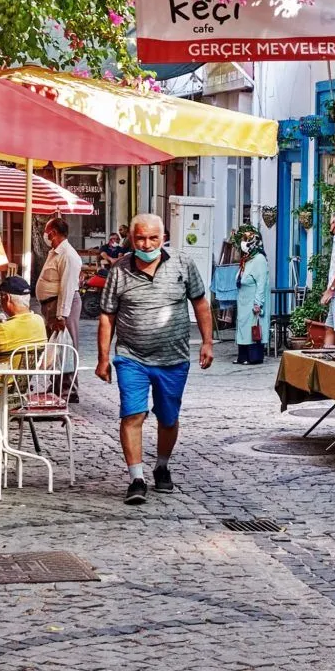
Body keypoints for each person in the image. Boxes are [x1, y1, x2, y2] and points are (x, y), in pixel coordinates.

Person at [95, 211, 213, 505]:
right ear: (131, 239)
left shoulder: (182, 264)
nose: (146, 244)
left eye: (153, 238)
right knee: (132, 414)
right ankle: (136, 478)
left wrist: (208, 342)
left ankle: (162, 466)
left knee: (168, 418)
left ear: (163, 238)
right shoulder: (120, 270)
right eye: (140, 238)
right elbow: (107, 316)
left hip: (173, 357)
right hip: (131, 357)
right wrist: (103, 357)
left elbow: (200, 303)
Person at [0, 277, 47, 359]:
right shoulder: (39, 320)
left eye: (0, 296)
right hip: (23, 371)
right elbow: (17, 334)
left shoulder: (3, 330)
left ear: (7, 298)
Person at [39, 216, 85, 338]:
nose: (45, 236)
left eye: (46, 232)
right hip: (50, 306)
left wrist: (61, 316)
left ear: (53, 233)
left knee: (64, 346)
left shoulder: (68, 255)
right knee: (53, 346)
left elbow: (67, 287)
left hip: (62, 306)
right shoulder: (54, 252)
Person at [235, 231, 271, 364]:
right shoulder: (247, 258)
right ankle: (242, 356)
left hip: (252, 301)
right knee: (243, 328)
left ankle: (253, 357)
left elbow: (261, 283)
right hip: (244, 300)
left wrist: (258, 303)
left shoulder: (259, 259)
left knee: (252, 328)